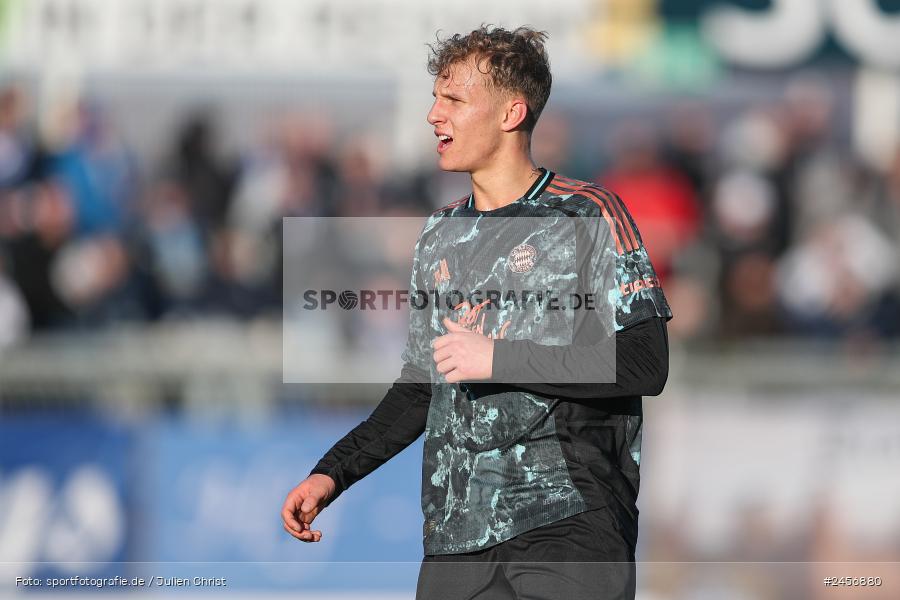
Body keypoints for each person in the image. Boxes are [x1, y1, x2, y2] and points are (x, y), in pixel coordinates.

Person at [281, 26, 672, 600]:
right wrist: (333, 472)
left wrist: (498, 357)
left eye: (454, 99)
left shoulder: (586, 214)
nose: (433, 115)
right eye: (436, 97)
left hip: (569, 525)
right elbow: (422, 389)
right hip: (455, 539)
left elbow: (645, 363)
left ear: (512, 112)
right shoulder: (440, 234)